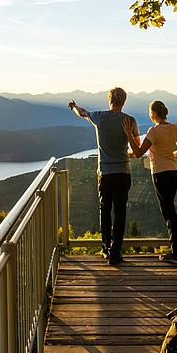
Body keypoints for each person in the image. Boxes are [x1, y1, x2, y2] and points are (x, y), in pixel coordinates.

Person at [68, 88, 139, 265]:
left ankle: (106, 247)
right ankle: (116, 251)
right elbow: (136, 147)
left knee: (105, 211)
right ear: (124, 101)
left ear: (110, 100)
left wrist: (74, 106)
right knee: (120, 212)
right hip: (123, 172)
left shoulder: (99, 117)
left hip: (105, 173)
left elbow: (82, 113)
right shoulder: (129, 120)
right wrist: (125, 152)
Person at [122, 100, 177, 264]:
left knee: (168, 211)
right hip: (173, 172)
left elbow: (139, 152)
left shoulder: (153, 131)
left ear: (153, 114)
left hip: (160, 174)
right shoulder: (175, 127)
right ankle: (176, 251)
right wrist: (170, 157)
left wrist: (128, 134)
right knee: (169, 210)